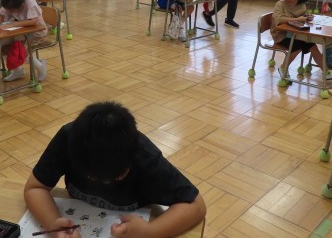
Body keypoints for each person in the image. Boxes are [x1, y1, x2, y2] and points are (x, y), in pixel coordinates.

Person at [24, 101, 206, 238]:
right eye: (92, 177)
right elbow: (35, 188)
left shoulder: (145, 157)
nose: (103, 183)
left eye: (116, 177)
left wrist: (150, 232)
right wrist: (53, 224)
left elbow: (196, 205)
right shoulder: (68, 139)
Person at [271, 0, 328, 78]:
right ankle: (283, 67)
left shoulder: (302, 5)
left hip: (296, 34)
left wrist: (307, 17)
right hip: (281, 35)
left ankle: (326, 71)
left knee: (312, 45)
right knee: (297, 45)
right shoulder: (280, 4)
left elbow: (302, 18)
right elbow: (279, 20)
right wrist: (298, 19)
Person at [0, 0, 48, 82]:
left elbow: (34, 22)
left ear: (21, 6)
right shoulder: (11, 2)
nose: (9, 12)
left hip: (37, 33)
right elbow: (3, 12)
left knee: (22, 53)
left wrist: (13, 24)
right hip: (21, 32)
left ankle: (41, 67)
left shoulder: (29, 2)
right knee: (3, 46)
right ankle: (18, 71)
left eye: (11, 10)